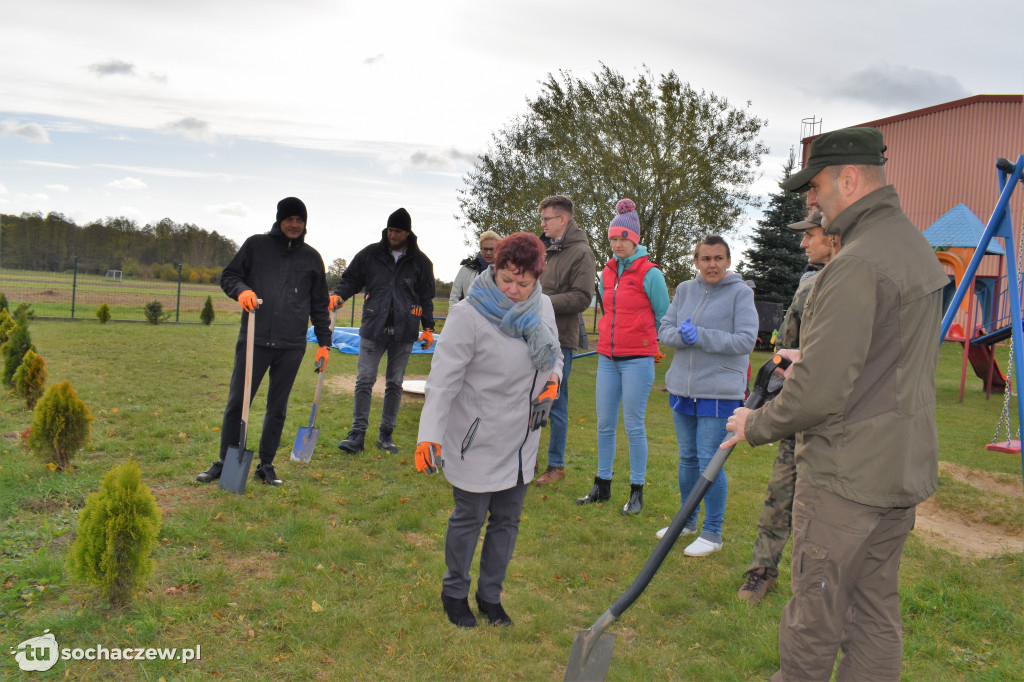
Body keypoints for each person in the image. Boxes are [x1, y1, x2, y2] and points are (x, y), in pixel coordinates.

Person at [722, 127, 947, 681]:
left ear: (850, 179)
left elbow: (819, 392)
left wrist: (756, 423)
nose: (811, 202)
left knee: (814, 616)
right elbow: (885, 354)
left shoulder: (857, 261)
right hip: (898, 466)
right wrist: (816, 356)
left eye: (816, 187)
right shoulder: (912, 245)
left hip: (847, 476)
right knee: (874, 612)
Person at [415, 232, 563, 628]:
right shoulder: (469, 315)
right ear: (493, 270)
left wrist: (553, 383)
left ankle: (490, 597)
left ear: (537, 278)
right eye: (506, 280)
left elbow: (554, 354)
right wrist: (428, 434)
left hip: (521, 437)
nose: (514, 291)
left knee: (507, 521)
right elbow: (442, 382)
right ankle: (455, 593)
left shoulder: (543, 306)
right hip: (476, 435)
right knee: (469, 518)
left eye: (524, 283)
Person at [737, 209, 841, 603]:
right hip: (794, 409)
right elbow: (787, 347)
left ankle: (818, 581)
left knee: (824, 505)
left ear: (832, 237)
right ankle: (761, 571)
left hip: (833, 419)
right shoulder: (806, 284)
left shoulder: (850, 284)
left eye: (809, 235)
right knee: (780, 493)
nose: (802, 243)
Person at [197, 197, 332, 487]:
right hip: (255, 340)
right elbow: (229, 276)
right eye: (289, 219)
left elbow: (319, 304)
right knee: (238, 403)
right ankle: (224, 460)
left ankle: (266, 464)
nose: (294, 225)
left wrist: (324, 342)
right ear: (279, 220)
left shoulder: (312, 258)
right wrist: (242, 290)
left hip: (292, 344)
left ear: (305, 223)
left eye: (299, 220)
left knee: (278, 407)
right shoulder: (256, 245)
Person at [656, 235, 757, 555]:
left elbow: (745, 341)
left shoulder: (741, 293)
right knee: (687, 459)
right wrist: (683, 338)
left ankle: (713, 533)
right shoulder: (685, 290)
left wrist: (701, 336)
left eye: (718, 258)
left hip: (719, 393)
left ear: (728, 261)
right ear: (696, 261)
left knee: (708, 461)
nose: (711, 264)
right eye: (705, 258)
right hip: (683, 391)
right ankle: (686, 522)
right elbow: (665, 330)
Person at [577, 199, 669, 515]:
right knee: (604, 423)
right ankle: (602, 485)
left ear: (635, 239)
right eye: (613, 239)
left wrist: (648, 342)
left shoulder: (650, 273)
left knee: (633, 424)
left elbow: (663, 315)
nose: (617, 244)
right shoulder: (607, 272)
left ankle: (636, 491)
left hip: (638, 360)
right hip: (607, 358)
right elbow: (610, 312)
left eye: (623, 239)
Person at [331, 208, 435, 454]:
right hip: (373, 327)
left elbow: (426, 298)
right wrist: (339, 295)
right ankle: (357, 434)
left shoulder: (421, 262)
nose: (392, 234)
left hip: (405, 330)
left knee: (394, 383)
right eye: (390, 230)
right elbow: (351, 279)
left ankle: (386, 435)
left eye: (397, 231)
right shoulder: (370, 255)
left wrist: (428, 328)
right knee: (364, 380)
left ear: (407, 233)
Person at [533, 195, 597, 485]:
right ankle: (526, 456)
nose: (542, 224)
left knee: (554, 400)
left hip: (561, 338)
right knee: (526, 396)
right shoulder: (541, 248)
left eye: (546, 219)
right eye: (542, 219)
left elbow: (582, 297)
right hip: (531, 333)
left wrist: (541, 302)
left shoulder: (582, 253)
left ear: (563, 219)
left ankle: (555, 465)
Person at [449, 230, 500, 305]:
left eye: (492, 249)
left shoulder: (507, 270)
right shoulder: (466, 269)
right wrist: (454, 315)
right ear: (480, 249)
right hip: (468, 315)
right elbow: (454, 297)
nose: (488, 253)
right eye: (485, 249)